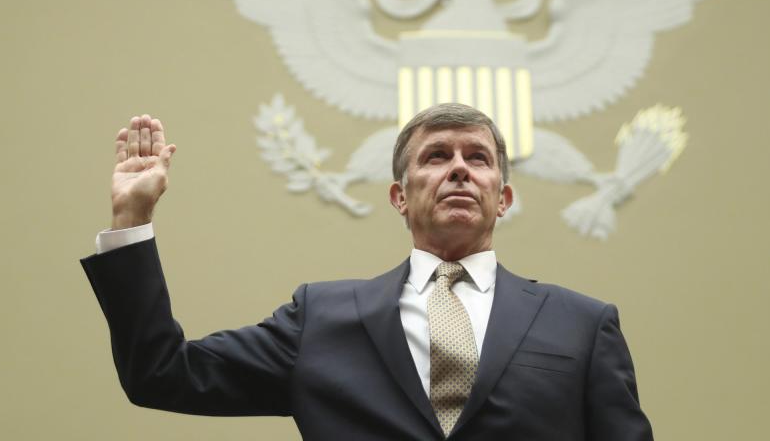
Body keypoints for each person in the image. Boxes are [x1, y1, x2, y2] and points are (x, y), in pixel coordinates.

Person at [82, 104, 654, 440]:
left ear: (502, 198)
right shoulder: (320, 319)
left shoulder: (582, 325)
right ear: (399, 197)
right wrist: (133, 218)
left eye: (477, 159)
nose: (458, 169)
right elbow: (160, 373)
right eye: (436, 157)